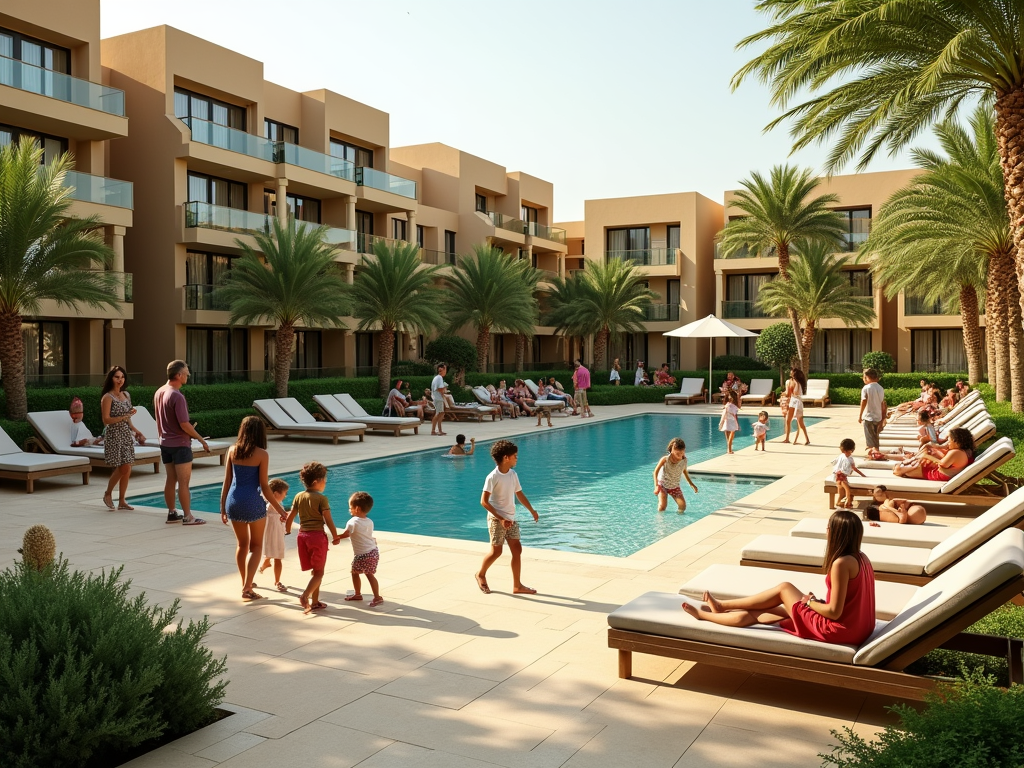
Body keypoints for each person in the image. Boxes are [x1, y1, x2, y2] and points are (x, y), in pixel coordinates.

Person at [682, 510, 876, 649]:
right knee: (763, 613)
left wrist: (808, 601)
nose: (826, 530)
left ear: (837, 534)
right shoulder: (862, 557)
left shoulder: (841, 564)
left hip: (840, 630)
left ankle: (717, 609)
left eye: (828, 527)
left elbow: (834, 612)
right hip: (859, 628)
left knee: (785, 588)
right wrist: (814, 603)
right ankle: (716, 611)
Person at [219, 416, 289, 602]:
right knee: (256, 546)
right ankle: (248, 587)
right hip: (252, 501)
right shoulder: (262, 454)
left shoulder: (232, 450)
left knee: (242, 545)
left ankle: (245, 582)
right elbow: (265, 487)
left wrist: (223, 507)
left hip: (233, 501)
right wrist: (281, 511)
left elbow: (227, 481)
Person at [475, 439, 540, 595]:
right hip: (497, 519)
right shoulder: (492, 477)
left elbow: (519, 494)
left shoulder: (513, 474)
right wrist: (500, 518)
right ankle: (480, 574)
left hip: (510, 518)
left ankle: (517, 586)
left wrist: (532, 510)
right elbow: (483, 501)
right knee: (496, 552)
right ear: (506, 458)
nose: (517, 458)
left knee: (517, 549)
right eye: (515, 456)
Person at [154, 360, 209, 525]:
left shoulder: (159, 392)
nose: (188, 376)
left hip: (165, 443)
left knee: (171, 479)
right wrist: (200, 439)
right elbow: (184, 424)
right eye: (186, 373)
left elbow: (161, 420)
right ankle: (188, 516)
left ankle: (172, 513)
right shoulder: (177, 395)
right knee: (184, 482)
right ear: (178, 375)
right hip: (180, 444)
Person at [291, 461, 342, 613]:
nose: (325, 482)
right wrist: (335, 535)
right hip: (317, 537)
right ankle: (305, 596)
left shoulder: (299, 496)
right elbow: (328, 519)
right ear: (316, 482)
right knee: (319, 572)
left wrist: (287, 529)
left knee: (316, 571)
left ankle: (315, 602)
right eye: (324, 479)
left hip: (302, 536)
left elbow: (291, 516)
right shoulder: (321, 499)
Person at [99, 365, 146, 511]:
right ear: (111, 378)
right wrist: (122, 417)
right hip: (114, 435)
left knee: (128, 467)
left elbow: (128, 418)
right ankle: (108, 493)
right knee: (123, 467)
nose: (120, 380)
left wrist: (136, 431)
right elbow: (106, 420)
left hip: (126, 434)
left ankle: (122, 501)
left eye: (122, 377)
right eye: (117, 377)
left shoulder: (126, 395)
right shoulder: (107, 397)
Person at [339, 491, 383, 607]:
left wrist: (336, 537)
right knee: (359, 572)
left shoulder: (352, 522)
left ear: (357, 508)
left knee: (362, 574)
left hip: (363, 554)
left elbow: (346, 534)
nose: (350, 510)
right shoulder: (369, 521)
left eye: (350, 508)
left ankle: (376, 597)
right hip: (373, 551)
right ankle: (362, 594)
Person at [894, 427, 975, 480]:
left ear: (956, 441)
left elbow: (943, 464)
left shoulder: (956, 452)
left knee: (902, 470)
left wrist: (927, 456)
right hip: (943, 472)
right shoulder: (963, 451)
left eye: (949, 440)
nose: (948, 442)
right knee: (907, 468)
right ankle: (910, 463)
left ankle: (905, 465)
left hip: (940, 474)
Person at [257, 478, 290, 593]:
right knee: (276, 555)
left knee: (276, 554)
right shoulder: (271, 505)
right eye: (284, 493)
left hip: (278, 533)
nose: (285, 496)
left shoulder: (277, 504)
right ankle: (277, 581)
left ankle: (269, 566)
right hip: (272, 533)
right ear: (276, 494)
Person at [652, 437, 699, 512]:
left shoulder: (684, 460)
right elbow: (655, 472)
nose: (680, 456)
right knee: (662, 506)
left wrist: (691, 484)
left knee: (682, 506)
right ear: (672, 451)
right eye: (677, 454)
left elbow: (684, 471)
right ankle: (660, 521)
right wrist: (656, 486)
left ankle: (678, 520)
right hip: (662, 485)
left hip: (674, 485)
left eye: (682, 453)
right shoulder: (665, 459)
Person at [858, 367, 887, 457]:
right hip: (878, 416)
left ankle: (872, 455)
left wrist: (860, 415)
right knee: (875, 437)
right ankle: (876, 452)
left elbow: (864, 401)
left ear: (866, 377)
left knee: (870, 439)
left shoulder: (866, 388)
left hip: (868, 416)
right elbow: (883, 403)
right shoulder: (880, 388)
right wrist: (883, 417)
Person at [831, 438, 866, 509]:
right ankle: (848, 502)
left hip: (838, 476)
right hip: (841, 476)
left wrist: (862, 474)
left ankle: (839, 502)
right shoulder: (847, 458)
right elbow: (854, 468)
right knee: (847, 490)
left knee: (841, 492)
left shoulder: (843, 457)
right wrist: (862, 475)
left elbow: (834, 463)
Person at [782, 368, 810, 445]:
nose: (790, 372)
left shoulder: (790, 382)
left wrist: (782, 394)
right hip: (799, 402)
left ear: (793, 374)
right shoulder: (799, 382)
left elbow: (788, 393)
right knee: (800, 422)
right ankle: (807, 439)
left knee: (788, 420)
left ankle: (787, 438)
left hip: (794, 401)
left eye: (791, 371)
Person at [719, 390, 740, 454]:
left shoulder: (728, 405)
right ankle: (729, 448)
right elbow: (735, 415)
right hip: (729, 420)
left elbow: (733, 414)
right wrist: (737, 423)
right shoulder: (731, 406)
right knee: (730, 434)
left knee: (729, 434)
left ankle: (729, 448)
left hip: (728, 420)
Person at [430, 363, 448, 436]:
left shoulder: (437, 377)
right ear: (442, 369)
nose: (446, 371)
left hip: (437, 397)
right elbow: (440, 388)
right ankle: (433, 430)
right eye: (445, 369)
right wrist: (445, 389)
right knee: (438, 413)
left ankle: (439, 430)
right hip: (438, 398)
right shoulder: (439, 378)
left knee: (441, 413)